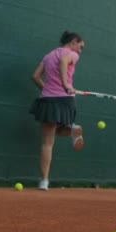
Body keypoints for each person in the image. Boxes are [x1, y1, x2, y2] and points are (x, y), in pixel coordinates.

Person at [29, 31, 85, 191]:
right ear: (74, 41)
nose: (80, 51)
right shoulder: (72, 54)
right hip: (65, 99)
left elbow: (35, 76)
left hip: (48, 100)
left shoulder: (48, 56)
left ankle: (44, 181)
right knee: (61, 130)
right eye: (80, 47)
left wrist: (47, 88)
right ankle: (72, 128)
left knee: (47, 143)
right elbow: (63, 61)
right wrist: (66, 85)